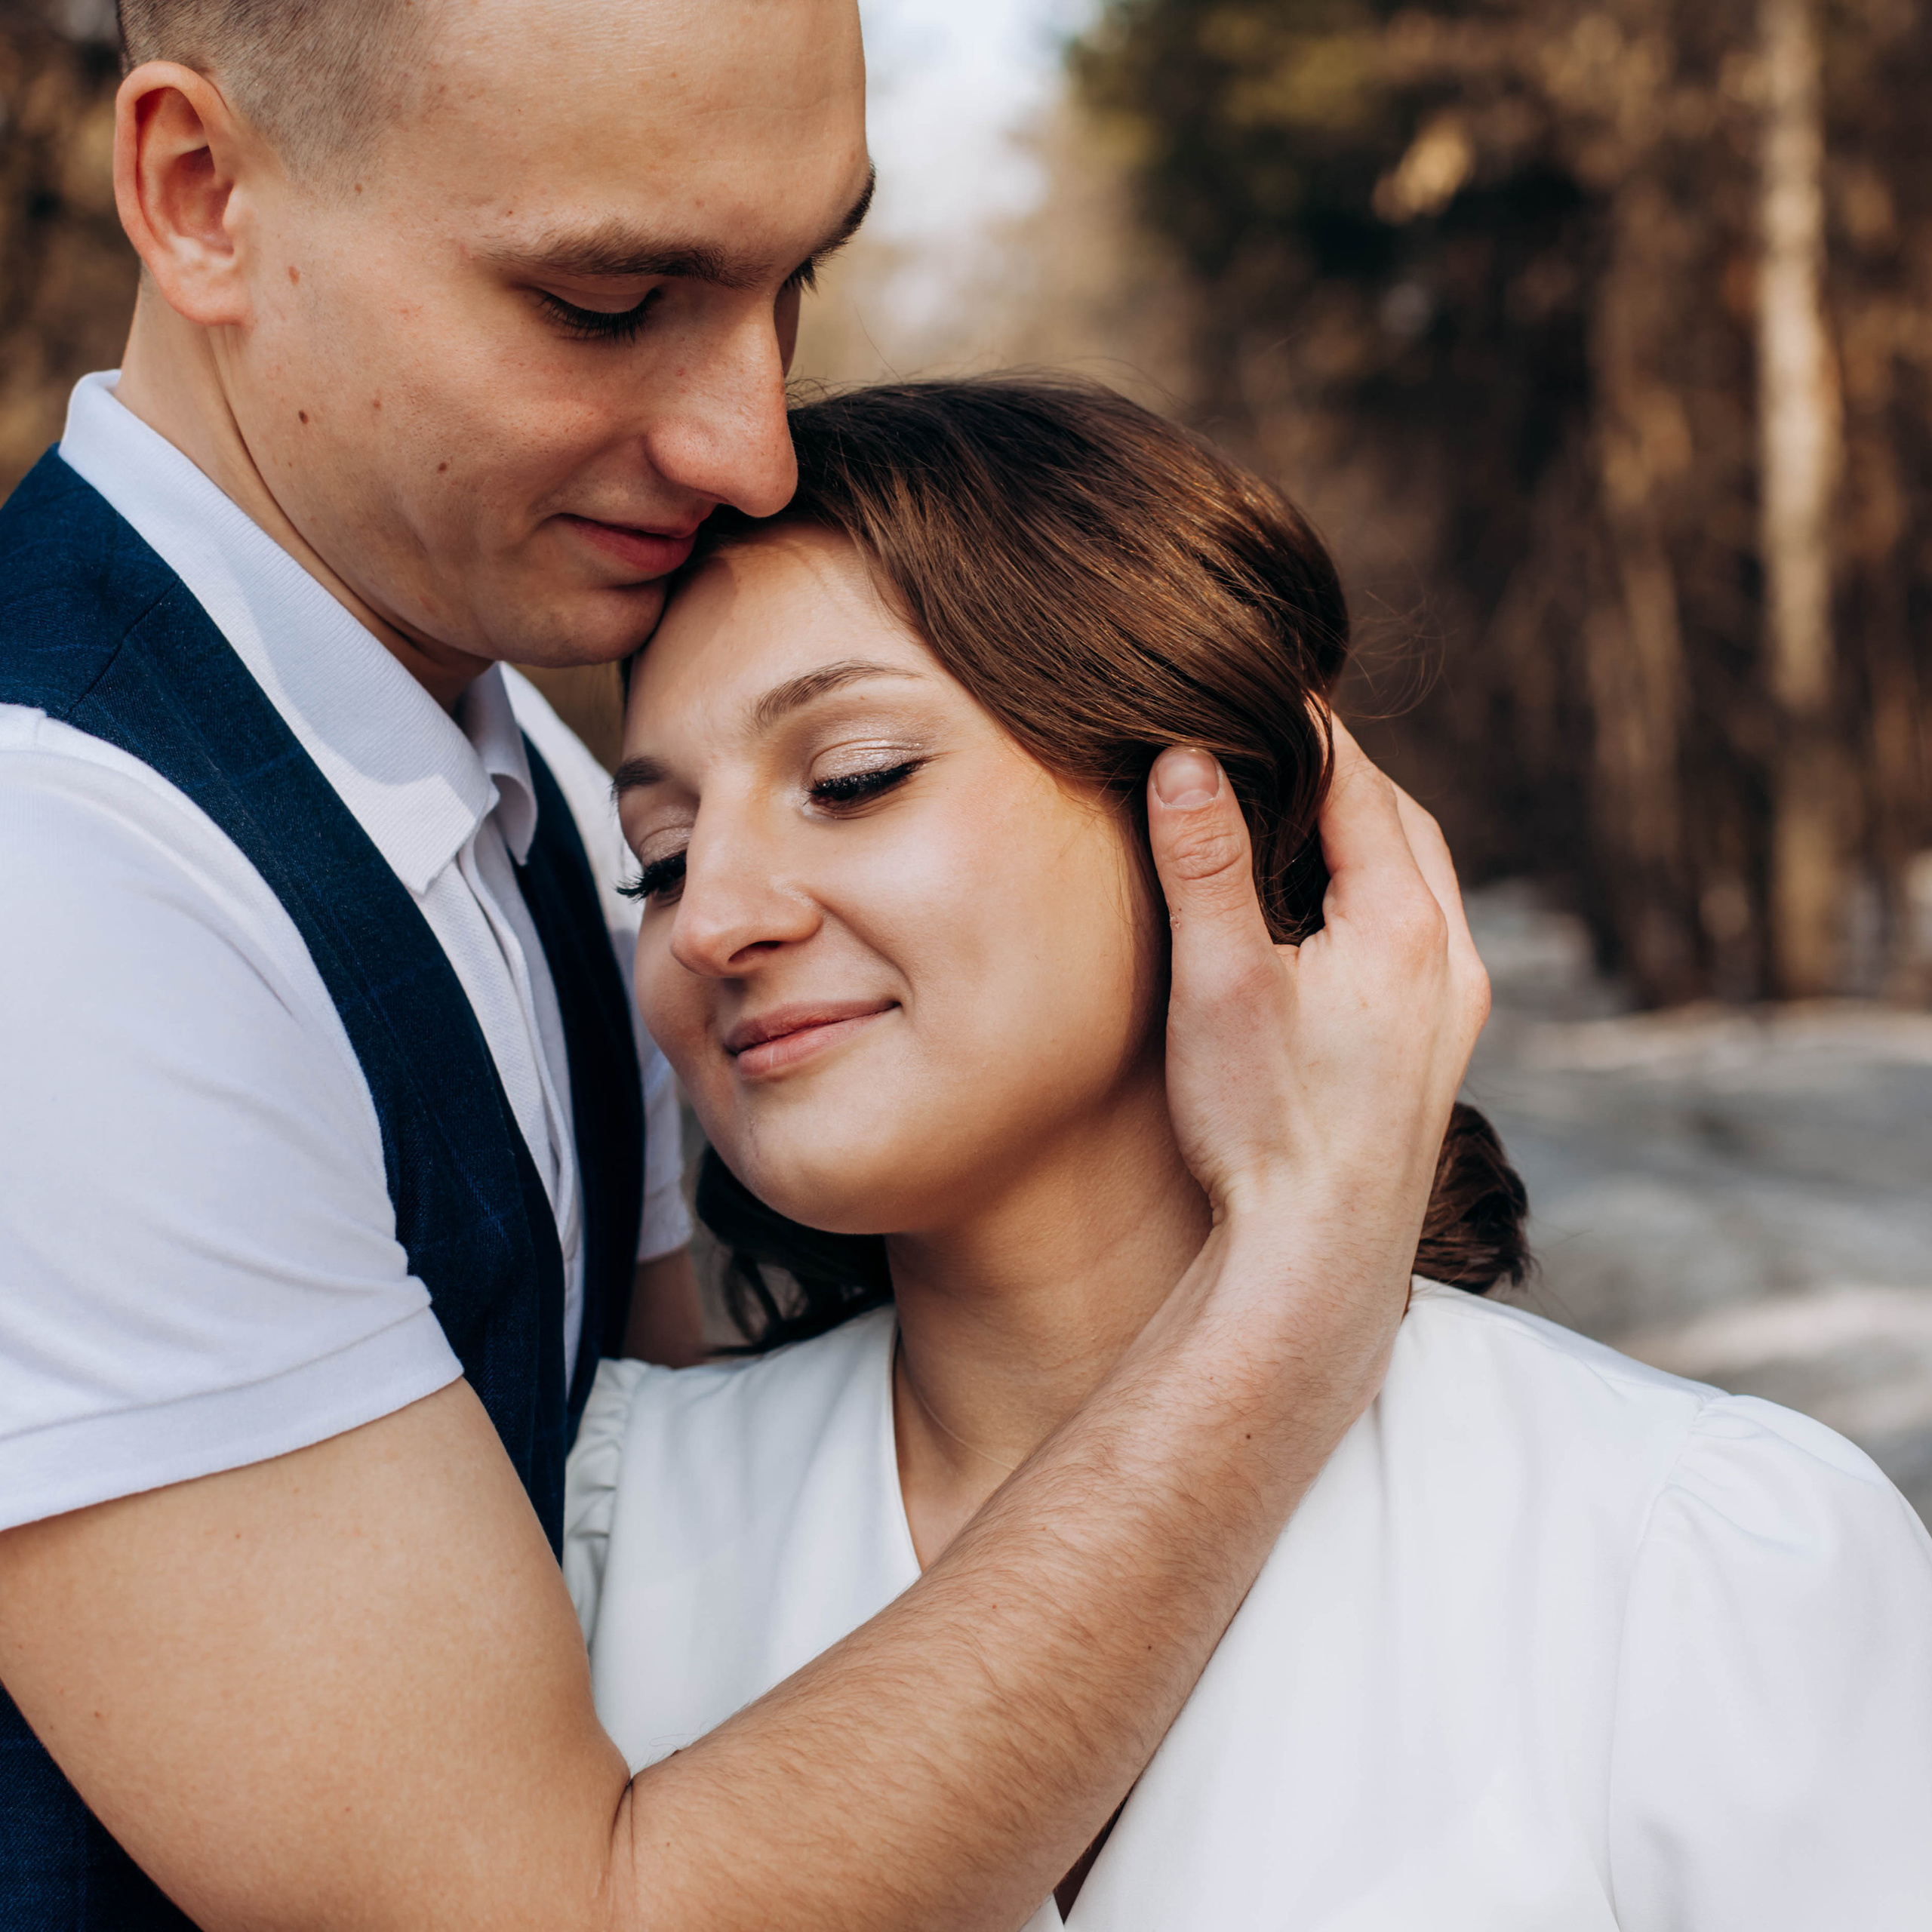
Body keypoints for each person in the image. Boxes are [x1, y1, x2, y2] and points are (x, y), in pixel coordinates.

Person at [0, 5, 1491, 1929]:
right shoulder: (60, 874)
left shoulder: (531, 784)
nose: (748, 442)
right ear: (199, 196)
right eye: (609, 299)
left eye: (797, 281)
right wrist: (1296, 1277)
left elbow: (690, 1593)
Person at [571, 377, 1932, 1930]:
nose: (717, 916)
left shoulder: (1688, 1556)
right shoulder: (611, 1528)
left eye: (854, 775)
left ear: (1198, 803)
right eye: (658, 859)